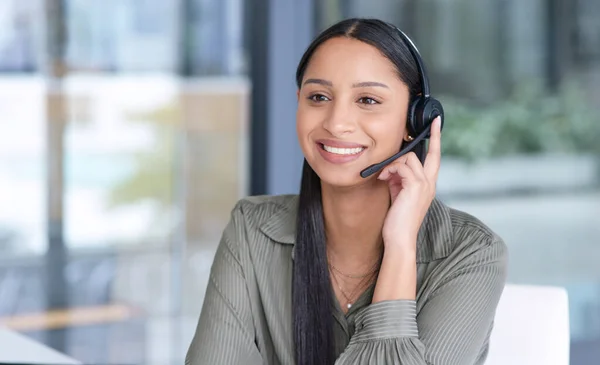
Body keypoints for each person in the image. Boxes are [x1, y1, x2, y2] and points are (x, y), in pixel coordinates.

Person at [185, 18, 508, 365]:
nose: (336, 122)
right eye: (318, 96)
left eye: (368, 100)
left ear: (415, 121)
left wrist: (400, 246)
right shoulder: (252, 231)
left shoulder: (471, 254)